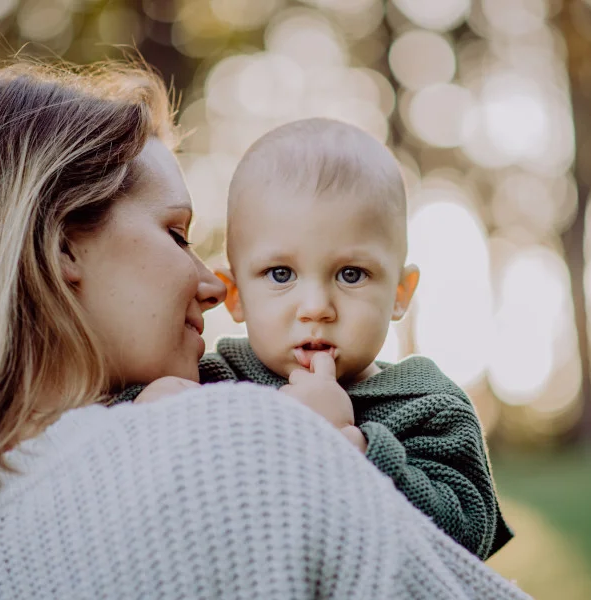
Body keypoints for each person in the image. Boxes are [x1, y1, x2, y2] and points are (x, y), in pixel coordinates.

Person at [0, 61, 529, 599]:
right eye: (177, 234)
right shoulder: (233, 444)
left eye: (351, 274)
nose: (214, 287)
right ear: (61, 247)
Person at [114, 118, 514, 560]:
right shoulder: (212, 384)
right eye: (280, 274)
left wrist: (350, 445)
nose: (316, 306)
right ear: (236, 295)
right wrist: (146, 411)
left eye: (351, 274)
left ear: (400, 294)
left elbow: (468, 532)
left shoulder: (428, 405)